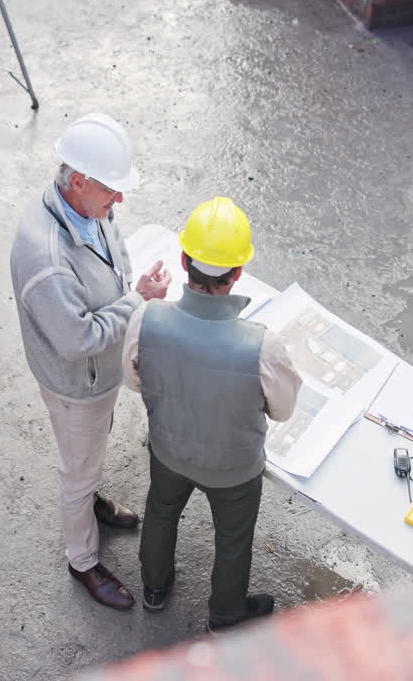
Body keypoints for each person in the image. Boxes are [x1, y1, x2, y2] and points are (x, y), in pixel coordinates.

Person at [10, 112, 171, 610]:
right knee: (76, 469)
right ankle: (82, 560)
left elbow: (113, 243)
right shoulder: (47, 259)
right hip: (75, 383)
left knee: (92, 449)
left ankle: (91, 497)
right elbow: (78, 340)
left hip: (100, 374)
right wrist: (138, 300)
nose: (119, 200)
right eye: (111, 190)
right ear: (77, 180)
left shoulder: (87, 205)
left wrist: (129, 283)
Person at [122, 196, 302, 632]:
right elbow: (283, 409)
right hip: (234, 470)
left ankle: (154, 587)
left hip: (168, 450)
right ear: (238, 273)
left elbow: (133, 379)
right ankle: (225, 614)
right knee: (233, 540)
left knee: (162, 510)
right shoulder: (264, 346)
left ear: (184, 260)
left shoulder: (146, 318)